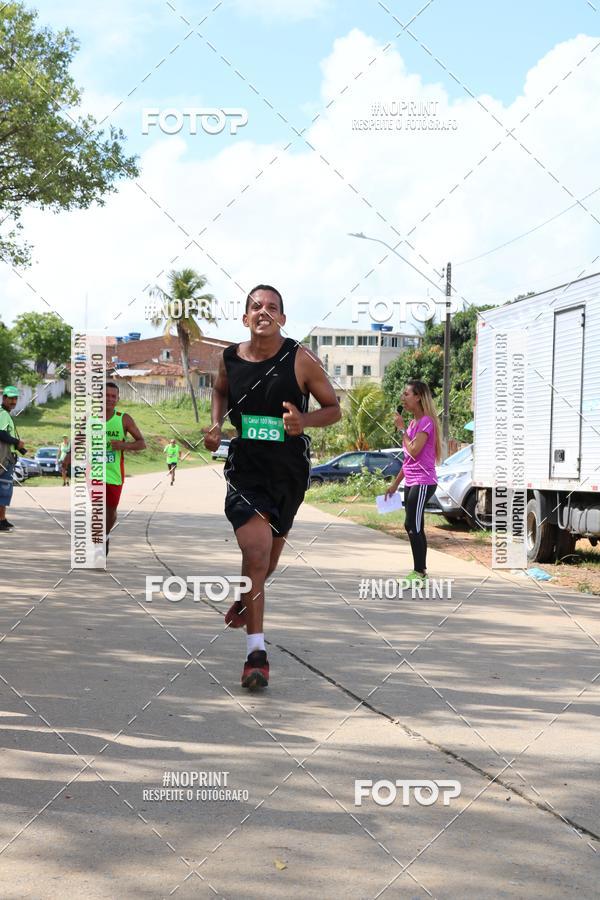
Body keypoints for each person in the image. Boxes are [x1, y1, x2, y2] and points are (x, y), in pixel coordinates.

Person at [204, 285, 340, 690]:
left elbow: (333, 408)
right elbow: (219, 390)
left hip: (288, 475)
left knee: (267, 561)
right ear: (245, 318)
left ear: (282, 318)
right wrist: (216, 424)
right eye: (256, 307)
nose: (264, 311)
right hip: (245, 471)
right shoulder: (229, 358)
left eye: (273, 307)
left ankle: (247, 600)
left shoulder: (301, 358)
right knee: (257, 553)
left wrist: (304, 421)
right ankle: (256, 654)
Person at [385, 380, 441, 582]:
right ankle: (419, 571)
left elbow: (415, 450)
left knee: (412, 524)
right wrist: (394, 484)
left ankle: (419, 573)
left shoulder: (426, 422)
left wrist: (401, 430)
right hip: (411, 480)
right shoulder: (412, 424)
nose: (403, 398)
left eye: (406, 394)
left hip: (424, 481)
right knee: (413, 525)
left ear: (418, 397)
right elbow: (408, 459)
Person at [99, 381, 146, 555]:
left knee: (110, 511)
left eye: (113, 396)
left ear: (117, 399)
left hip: (114, 474)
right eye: (106, 395)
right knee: (98, 508)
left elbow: (142, 444)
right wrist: (68, 458)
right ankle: (98, 543)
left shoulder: (123, 419)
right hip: (94, 473)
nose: (109, 399)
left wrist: (123, 446)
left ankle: (105, 534)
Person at [0, 386, 27, 532]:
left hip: (7, 457)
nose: (13, 401)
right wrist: (17, 442)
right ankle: (0, 520)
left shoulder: (5, 414)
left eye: (15, 398)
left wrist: (18, 446)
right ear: (4, 398)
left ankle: (2, 519)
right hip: (5, 458)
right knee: (3, 489)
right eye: (10, 398)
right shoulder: (3, 414)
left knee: (4, 489)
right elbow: (1, 434)